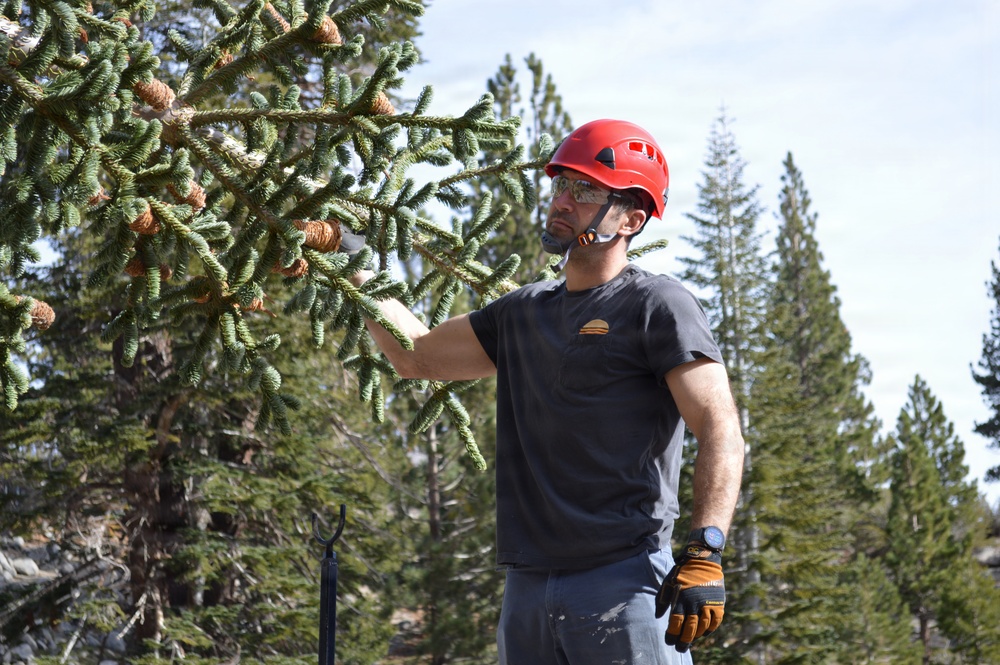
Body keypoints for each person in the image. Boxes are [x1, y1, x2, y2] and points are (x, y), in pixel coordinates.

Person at [348, 119, 745, 664]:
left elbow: (719, 426)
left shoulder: (656, 305)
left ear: (632, 218)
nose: (562, 200)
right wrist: (348, 256)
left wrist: (706, 550)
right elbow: (416, 354)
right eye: (561, 184)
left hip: (626, 584)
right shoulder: (523, 313)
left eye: (585, 190)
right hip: (528, 589)